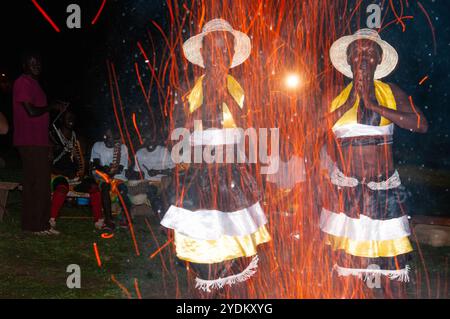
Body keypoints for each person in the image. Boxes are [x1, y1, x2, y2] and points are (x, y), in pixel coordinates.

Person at [160, 19, 271, 294]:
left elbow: (257, 129)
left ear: (232, 55)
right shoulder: (188, 88)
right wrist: (201, 109)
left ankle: (221, 289)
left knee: (234, 249)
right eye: (212, 48)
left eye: (225, 50)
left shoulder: (244, 87)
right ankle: (207, 288)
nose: (218, 56)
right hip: (199, 175)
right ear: (203, 52)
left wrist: (225, 96)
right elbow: (174, 135)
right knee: (202, 249)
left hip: (233, 176)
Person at [320, 29, 428, 292]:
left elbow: (420, 124)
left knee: (390, 269)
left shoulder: (391, 91)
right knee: (347, 268)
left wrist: (374, 105)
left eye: (370, 52)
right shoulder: (336, 94)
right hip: (347, 192)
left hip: (384, 191)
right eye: (357, 52)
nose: (364, 57)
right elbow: (313, 132)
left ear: (379, 60)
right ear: (349, 60)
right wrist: (349, 104)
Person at [13, 51, 66, 235]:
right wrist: (51, 106)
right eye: (31, 62)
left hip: (38, 141)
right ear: (24, 66)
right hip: (29, 141)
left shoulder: (34, 84)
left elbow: (40, 117)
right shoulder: (23, 82)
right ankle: (36, 225)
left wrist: (49, 142)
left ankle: (39, 224)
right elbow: (31, 112)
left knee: (41, 183)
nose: (36, 65)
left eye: (38, 62)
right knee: (37, 184)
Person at [49, 110, 104, 230]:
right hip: (59, 175)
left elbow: (83, 163)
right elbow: (47, 164)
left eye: (73, 118)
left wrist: (82, 173)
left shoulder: (79, 139)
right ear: (61, 120)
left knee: (93, 187)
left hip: (76, 177)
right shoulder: (53, 137)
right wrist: (64, 173)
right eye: (68, 117)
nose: (71, 120)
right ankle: (51, 219)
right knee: (62, 188)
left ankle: (99, 220)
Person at [90, 127, 130, 229]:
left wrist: (112, 171)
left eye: (112, 137)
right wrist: (104, 169)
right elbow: (95, 164)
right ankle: (108, 219)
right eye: (107, 137)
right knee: (105, 187)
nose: (109, 139)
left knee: (123, 190)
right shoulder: (97, 145)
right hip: (102, 175)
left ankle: (126, 217)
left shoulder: (122, 148)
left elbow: (121, 168)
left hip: (117, 176)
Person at [130, 136, 175, 218]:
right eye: (147, 139)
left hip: (162, 182)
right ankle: (158, 211)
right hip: (146, 183)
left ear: (156, 140)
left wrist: (158, 171)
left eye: (152, 138)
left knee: (152, 191)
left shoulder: (163, 151)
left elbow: (173, 170)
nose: (150, 141)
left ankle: (160, 217)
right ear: (143, 140)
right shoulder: (139, 153)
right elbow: (137, 172)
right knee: (135, 194)